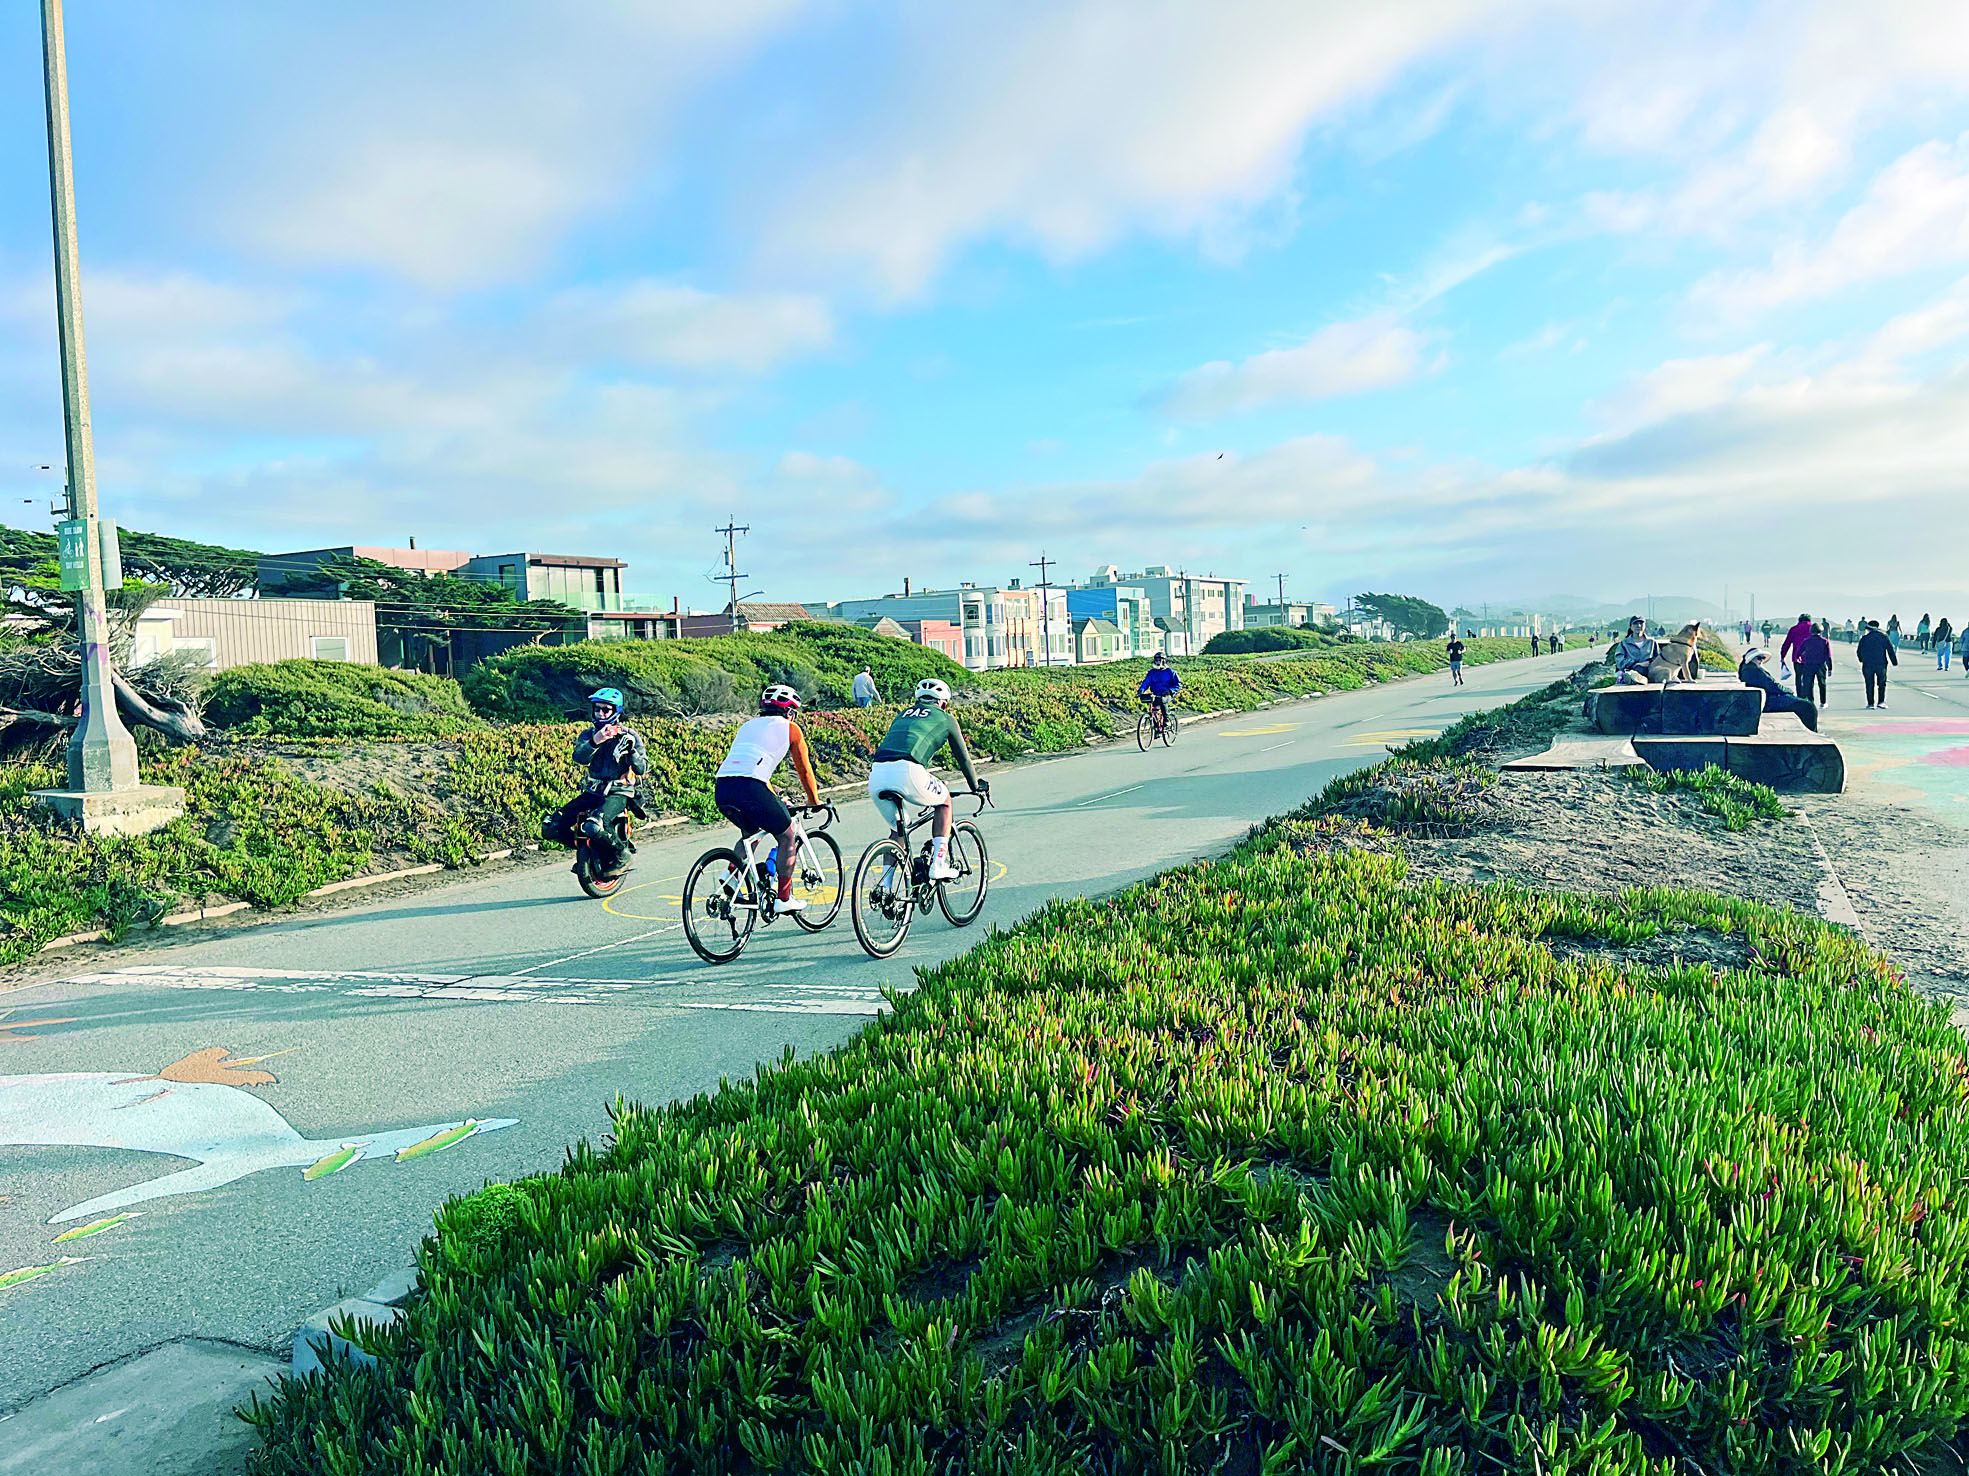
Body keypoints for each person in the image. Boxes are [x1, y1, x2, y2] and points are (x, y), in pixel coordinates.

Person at [713, 684, 823, 911]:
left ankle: (730, 874)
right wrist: (814, 801)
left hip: (723, 786)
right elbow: (804, 770)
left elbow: (750, 767)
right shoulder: (791, 729)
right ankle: (784, 899)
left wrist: (773, 798)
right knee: (787, 836)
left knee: (751, 835)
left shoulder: (747, 726)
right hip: (751, 787)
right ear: (790, 712)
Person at [867, 678, 986, 880]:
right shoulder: (946, 718)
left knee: (898, 831)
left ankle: (885, 887)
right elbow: (963, 758)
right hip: (909, 772)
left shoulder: (902, 715)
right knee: (944, 801)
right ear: (943, 703)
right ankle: (938, 865)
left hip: (877, 774)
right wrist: (975, 786)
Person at [541, 687, 649, 878]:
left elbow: (642, 769)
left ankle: (621, 855)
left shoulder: (630, 735)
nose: (600, 713)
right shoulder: (588, 734)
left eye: (605, 710)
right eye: (597, 709)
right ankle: (592, 852)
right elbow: (579, 757)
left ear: (616, 711)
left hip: (619, 791)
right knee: (552, 826)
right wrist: (596, 741)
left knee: (594, 825)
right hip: (593, 791)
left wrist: (632, 751)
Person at [1738, 647, 1818, 731]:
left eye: (1763, 658)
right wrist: (1789, 691)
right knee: (1808, 706)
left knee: (1805, 705)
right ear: (1751, 659)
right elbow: (1774, 686)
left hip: (1765, 699)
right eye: (1759, 658)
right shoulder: (1754, 670)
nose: (1761, 660)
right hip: (1769, 701)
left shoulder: (1748, 668)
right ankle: (1813, 732)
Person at [1857, 619, 1897, 709]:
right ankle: (1881, 702)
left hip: (1867, 664)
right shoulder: (1883, 637)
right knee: (1882, 683)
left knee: (1869, 684)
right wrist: (1894, 662)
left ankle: (1870, 703)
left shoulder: (1864, 639)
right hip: (1881, 663)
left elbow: (1859, 652)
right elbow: (1890, 650)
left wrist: (1862, 659)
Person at [1608, 616, 1655, 684]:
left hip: (1648, 672)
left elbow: (1658, 658)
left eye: (1641, 623)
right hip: (1631, 672)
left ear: (1645, 626)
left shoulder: (1652, 642)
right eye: (1635, 623)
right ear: (1631, 626)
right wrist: (1636, 664)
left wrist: (1649, 663)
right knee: (1625, 675)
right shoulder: (1624, 643)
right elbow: (1619, 661)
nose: (1638, 625)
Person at [1795, 622, 1832, 706]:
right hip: (1820, 665)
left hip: (1808, 664)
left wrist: (1798, 657)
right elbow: (1828, 656)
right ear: (1821, 631)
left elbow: (1799, 652)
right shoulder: (1824, 641)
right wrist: (1830, 668)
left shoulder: (1807, 641)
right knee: (1822, 683)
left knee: (1808, 683)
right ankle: (1823, 702)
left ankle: (1810, 701)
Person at [1138, 650, 1181, 719]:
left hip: (1167, 694)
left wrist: (1170, 691)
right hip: (1155, 694)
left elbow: (1178, 684)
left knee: (1162, 700)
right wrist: (1141, 690)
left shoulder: (1170, 672)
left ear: (1164, 661)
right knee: (1152, 705)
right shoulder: (1152, 672)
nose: (1158, 662)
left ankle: (1167, 721)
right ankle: (1154, 724)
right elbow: (1146, 682)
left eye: (1160, 660)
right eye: (1156, 660)